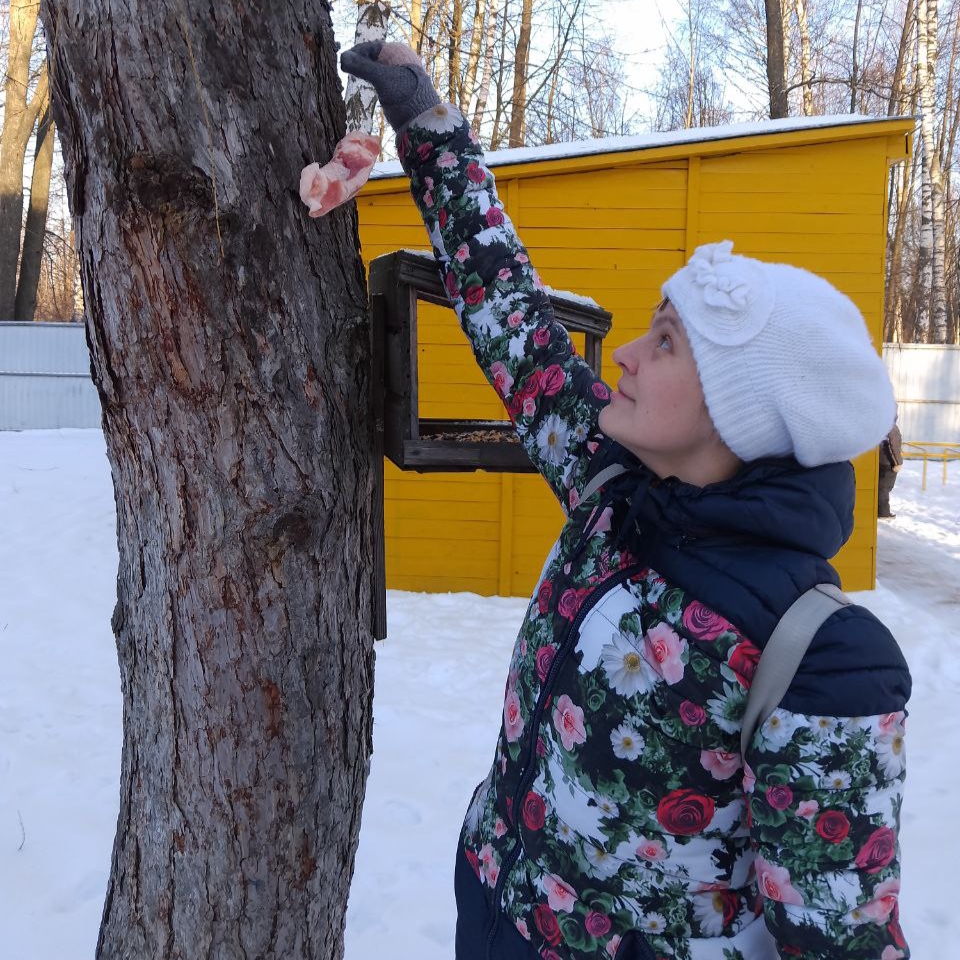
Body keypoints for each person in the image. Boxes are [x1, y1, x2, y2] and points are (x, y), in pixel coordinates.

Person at [341, 42, 911, 960]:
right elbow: (511, 314)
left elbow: (840, 940)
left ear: (742, 414)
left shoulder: (820, 655)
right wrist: (431, 129)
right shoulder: (614, 490)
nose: (629, 356)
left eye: (669, 342)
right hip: (492, 915)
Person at [878, 421, 904, 519]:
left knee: (882, 487)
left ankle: (880, 510)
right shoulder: (891, 427)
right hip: (888, 462)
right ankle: (883, 512)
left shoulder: (880, 424)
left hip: (881, 461)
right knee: (885, 487)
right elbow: (894, 447)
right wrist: (898, 462)